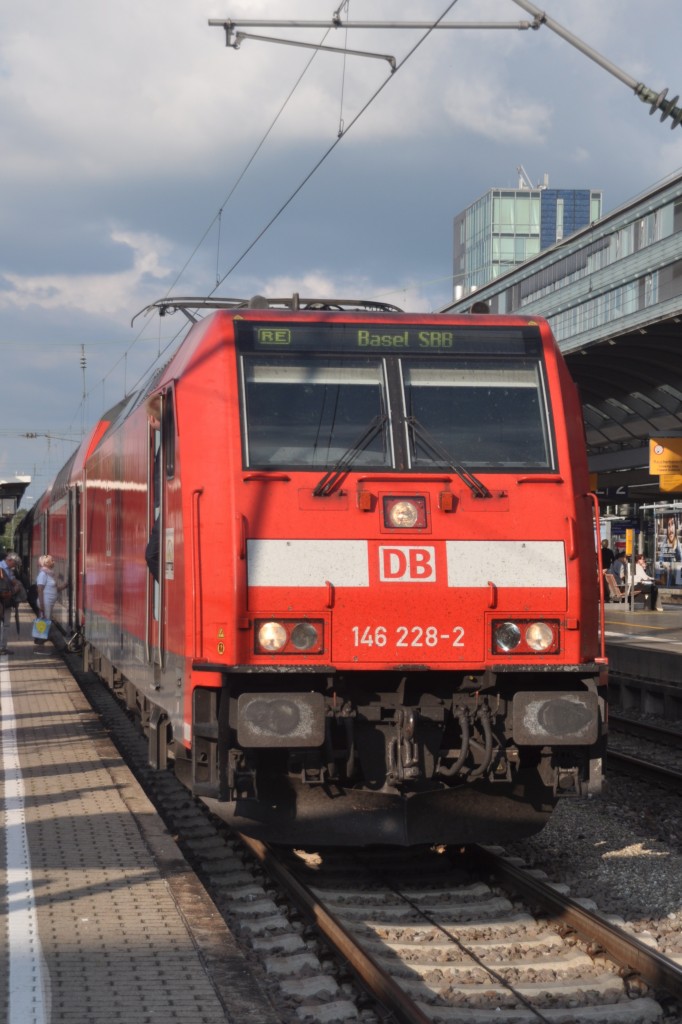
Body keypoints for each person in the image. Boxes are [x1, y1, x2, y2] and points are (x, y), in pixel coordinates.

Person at [144, 394, 162, 581]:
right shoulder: (169, 437)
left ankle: (169, 591)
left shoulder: (168, 439)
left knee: (152, 555)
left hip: (167, 507)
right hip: (165, 506)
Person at [34, 554, 67, 649]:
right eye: (52, 560)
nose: (54, 562)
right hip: (45, 602)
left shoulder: (49, 574)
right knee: (45, 621)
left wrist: (64, 586)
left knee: (44, 621)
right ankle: (41, 642)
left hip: (48, 602)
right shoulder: (43, 574)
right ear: (46, 563)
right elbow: (39, 589)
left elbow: (54, 589)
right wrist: (42, 604)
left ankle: (40, 640)